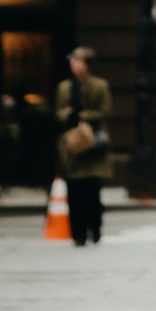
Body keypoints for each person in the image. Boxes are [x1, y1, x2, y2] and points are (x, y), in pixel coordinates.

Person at [54, 45, 112, 245]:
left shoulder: (99, 86)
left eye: (78, 61)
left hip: (92, 144)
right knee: (74, 192)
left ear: (87, 65)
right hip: (72, 144)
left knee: (92, 192)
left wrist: (83, 116)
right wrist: (67, 114)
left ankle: (94, 228)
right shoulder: (64, 87)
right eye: (73, 61)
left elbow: (104, 112)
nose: (74, 65)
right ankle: (77, 234)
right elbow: (59, 111)